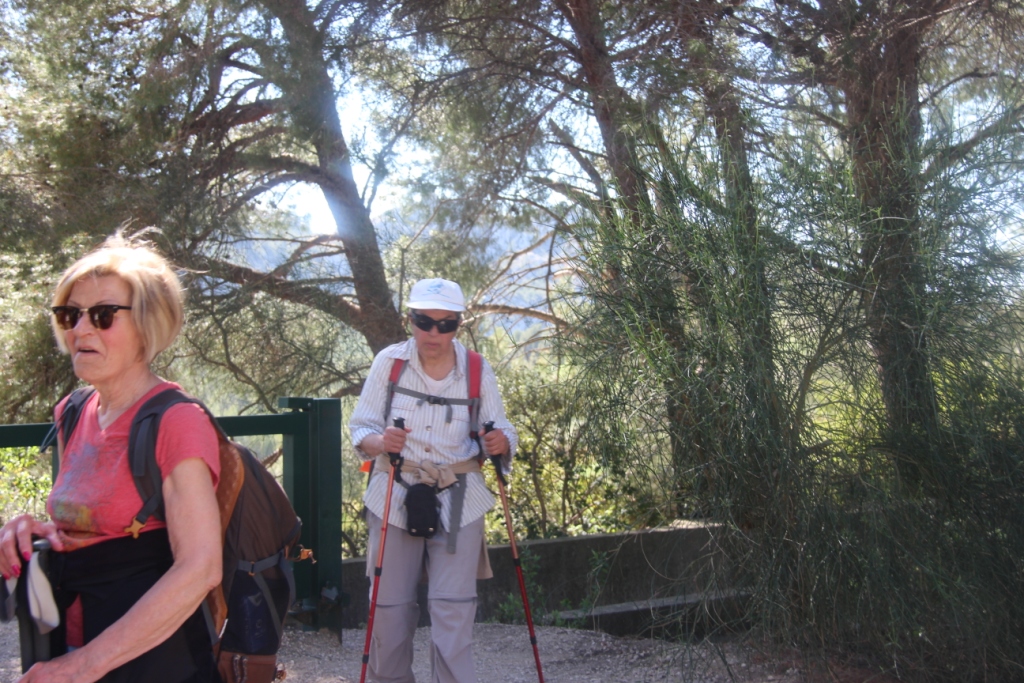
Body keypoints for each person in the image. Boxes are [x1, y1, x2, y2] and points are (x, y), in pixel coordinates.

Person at [0, 231, 222, 683]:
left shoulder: (177, 421)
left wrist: (82, 667)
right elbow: (95, 518)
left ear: (147, 326)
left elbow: (201, 568)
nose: (79, 330)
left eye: (103, 316)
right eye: (70, 314)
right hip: (69, 642)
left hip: (151, 665)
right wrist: (35, 530)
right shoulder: (74, 411)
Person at [349, 278, 518, 683]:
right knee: (387, 609)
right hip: (394, 493)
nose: (434, 333)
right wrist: (381, 442)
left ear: (459, 324)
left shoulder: (476, 369)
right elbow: (360, 429)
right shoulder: (389, 363)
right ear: (411, 320)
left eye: (447, 324)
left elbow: (501, 429)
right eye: (425, 321)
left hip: (459, 500)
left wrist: (501, 442)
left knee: (453, 610)